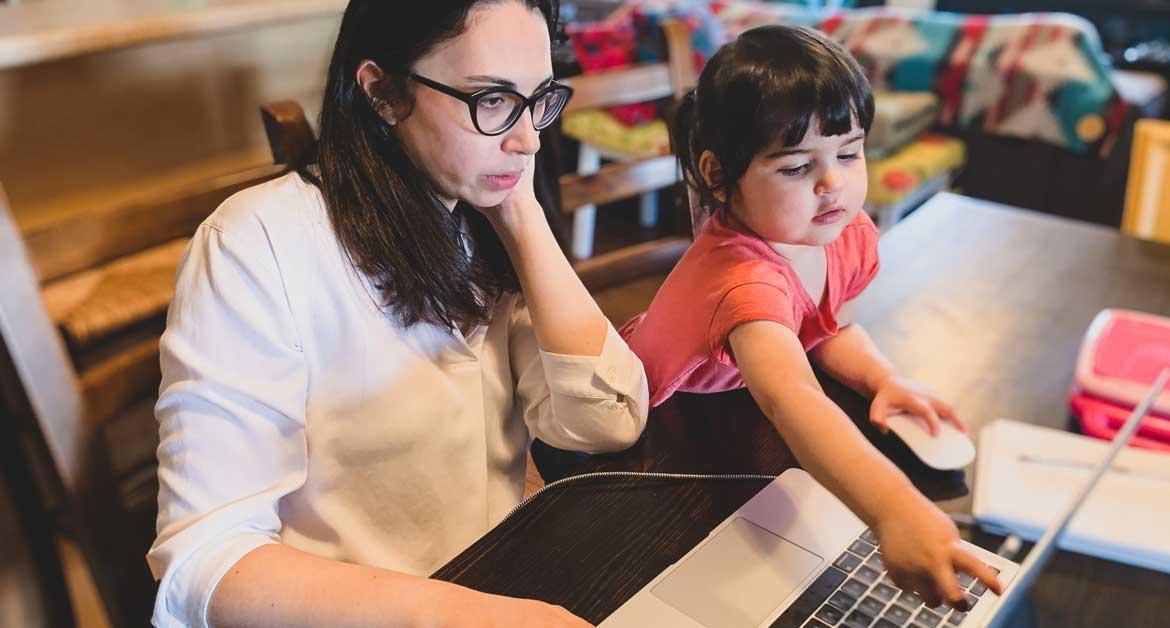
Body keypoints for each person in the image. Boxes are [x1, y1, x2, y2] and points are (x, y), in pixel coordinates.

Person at [146, 2, 648, 626]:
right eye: (491, 99)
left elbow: (604, 421)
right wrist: (467, 618)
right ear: (383, 92)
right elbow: (204, 563)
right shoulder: (257, 243)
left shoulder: (477, 210)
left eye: (538, 98)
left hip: (495, 576)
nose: (530, 139)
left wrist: (522, 216)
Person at [620, 25, 1001, 609]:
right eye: (797, 167)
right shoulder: (743, 283)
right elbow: (791, 395)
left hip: (731, 404)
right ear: (719, 176)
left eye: (848, 152)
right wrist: (895, 511)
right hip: (652, 439)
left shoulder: (836, 235)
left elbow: (820, 331)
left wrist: (883, 380)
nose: (833, 184)